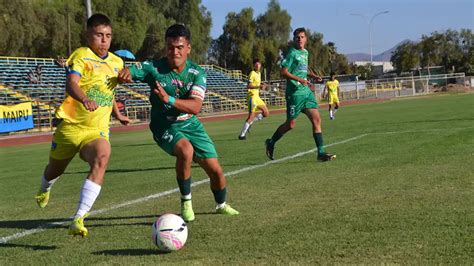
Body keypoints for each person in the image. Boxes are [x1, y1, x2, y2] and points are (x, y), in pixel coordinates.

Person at [118, 24, 239, 222]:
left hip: (191, 123)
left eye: (180, 47)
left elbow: (196, 106)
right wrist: (125, 73)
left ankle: (221, 205)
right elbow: (133, 71)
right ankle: (186, 204)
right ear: (166, 47)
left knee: (216, 171)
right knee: (186, 151)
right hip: (164, 124)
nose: (175, 52)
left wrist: (170, 100)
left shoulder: (197, 73)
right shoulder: (153, 68)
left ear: (188, 48)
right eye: (170, 47)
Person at [34, 13, 131, 237]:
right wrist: (84, 98)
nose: (104, 40)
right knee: (53, 171)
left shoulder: (117, 62)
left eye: (108, 35)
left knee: (103, 156)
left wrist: (117, 114)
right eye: (99, 35)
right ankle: (44, 188)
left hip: (95, 131)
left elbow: (111, 90)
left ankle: (78, 218)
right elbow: (71, 83)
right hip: (70, 128)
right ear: (88, 35)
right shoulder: (81, 55)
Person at [265, 27, 336, 162]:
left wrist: (313, 75)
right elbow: (284, 72)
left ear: (306, 39)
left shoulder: (306, 53)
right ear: (294, 39)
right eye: (297, 37)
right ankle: (271, 142)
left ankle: (321, 153)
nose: (300, 39)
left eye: (302, 37)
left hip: (306, 93)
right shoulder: (292, 53)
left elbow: (302, 70)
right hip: (294, 94)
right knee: (290, 125)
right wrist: (299, 80)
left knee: (317, 120)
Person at [238, 58, 270, 140]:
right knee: (251, 116)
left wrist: (263, 85)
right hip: (251, 97)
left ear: (260, 65)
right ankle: (242, 135)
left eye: (258, 64)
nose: (257, 65)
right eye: (256, 64)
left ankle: (251, 123)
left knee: (266, 113)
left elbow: (257, 84)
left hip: (257, 97)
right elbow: (248, 86)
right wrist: (259, 86)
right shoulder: (252, 73)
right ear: (254, 66)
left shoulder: (259, 73)